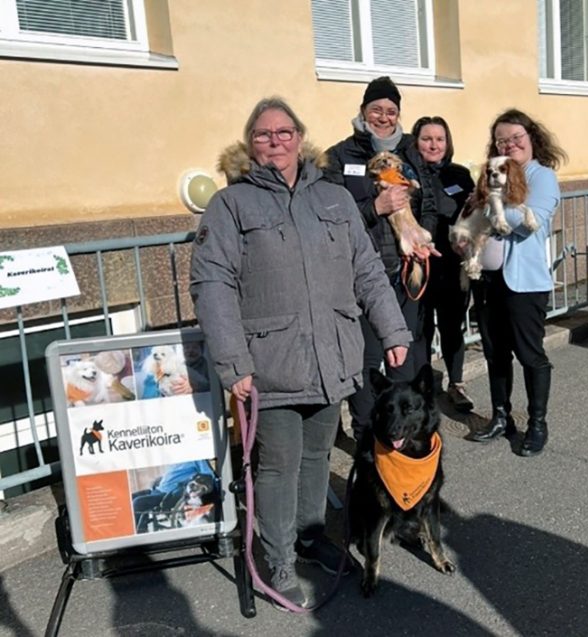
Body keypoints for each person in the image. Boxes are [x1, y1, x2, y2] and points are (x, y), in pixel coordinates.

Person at [189, 97, 411, 608]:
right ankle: (280, 558)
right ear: (250, 144)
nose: (276, 142)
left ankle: (312, 537)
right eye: (264, 135)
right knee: (278, 465)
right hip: (271, 364)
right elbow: (212, 283)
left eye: (284, 132)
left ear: (300, 138)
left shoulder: (331, 197)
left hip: (333, 354)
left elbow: (368, 271)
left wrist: (394, 332)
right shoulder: (231, 205)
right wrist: (233, 364)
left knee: (316, 456)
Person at [324, 76, 438, 442]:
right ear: (363, 111)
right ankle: (366, 435)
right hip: (361, 275)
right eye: (376, 110)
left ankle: (402, 434)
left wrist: (423, 237)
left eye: (391, 111)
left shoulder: (412, 153)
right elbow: (329, 215)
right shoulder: (340, 156)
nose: (384, 117)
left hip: (405, 272)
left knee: (403, 354)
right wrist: (375, 207)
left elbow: (430, 201)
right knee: (367, 362)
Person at [464, 108, 567, 455]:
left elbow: (530, 221)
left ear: (531, 139)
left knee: (529, 353)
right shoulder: (495, 174)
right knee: (495, 353)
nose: (509, 145)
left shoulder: (542, 177)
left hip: (524, 283)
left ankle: (537, 423)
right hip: (488, 281)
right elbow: (469, 216)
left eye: (515, 138)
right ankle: (500, 417)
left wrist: (489, 207)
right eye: (501, 141)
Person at [410, 116, 476, 412]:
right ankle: (423, 389)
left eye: (440, 139)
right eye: (427, 138)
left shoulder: (459, 175)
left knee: (452, 327)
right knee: (419, 329)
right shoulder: (407, 173)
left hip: (452, 266)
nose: (434, 144)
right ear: (415, 142)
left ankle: (456, 384)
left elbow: (474, 214)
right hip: (418, 266)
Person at [132, 459, 215, 533]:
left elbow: (209, 477)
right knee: (129, 498)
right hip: (156, 489)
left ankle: (136, 536)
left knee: (137, 503)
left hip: (167, 494)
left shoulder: (197, 458)